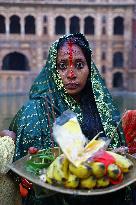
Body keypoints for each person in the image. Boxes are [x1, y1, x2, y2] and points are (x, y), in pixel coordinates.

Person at [0, 33, 131, 205]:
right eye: (62, 66)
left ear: (89, 68)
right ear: (53, 70)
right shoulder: (32, 112)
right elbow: (18, 171)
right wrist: (9, 142)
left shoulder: (104, 111)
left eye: (79, 65)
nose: (71, 74)